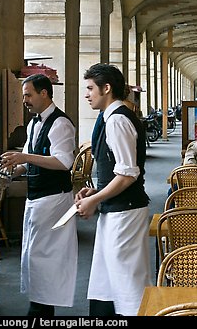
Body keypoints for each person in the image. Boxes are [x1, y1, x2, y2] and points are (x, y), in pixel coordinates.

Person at [75, 63, 151, 316]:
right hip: (117, 210)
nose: (86, 94)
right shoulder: (111, 117)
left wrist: (95, 198)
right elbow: (117, 169)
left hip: (125, 212)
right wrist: (94, 191)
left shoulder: (117, 120)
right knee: (108, 277)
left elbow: (128, 174)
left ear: (106, 88)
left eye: (89, 88)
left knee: (128, 280)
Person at [0, 73, 77, 317]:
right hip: (36, 199)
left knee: (46, 257)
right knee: (34, 255)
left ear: (44, 93)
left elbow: (64, 162)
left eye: (28, 95)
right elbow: (30, 160)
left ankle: (42, 309)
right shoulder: (34, 123)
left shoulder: (61, 123)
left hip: (54, 199)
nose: (25, 100)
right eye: (24, 96)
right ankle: (39, 304)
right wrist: (12, 171)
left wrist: (24, 158)